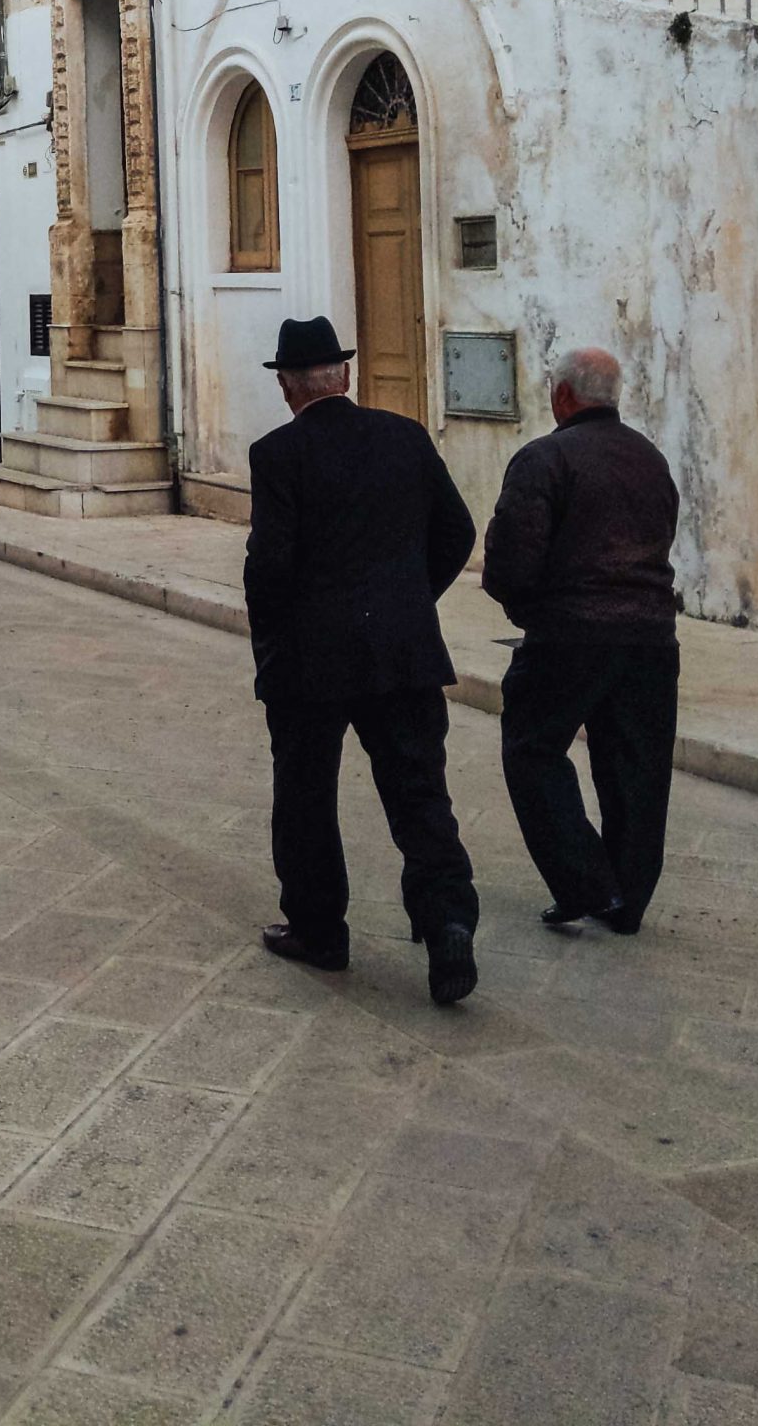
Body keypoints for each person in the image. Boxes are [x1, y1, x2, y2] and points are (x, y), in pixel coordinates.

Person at [244, 316, 481, 1007]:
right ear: (344, 376)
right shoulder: (404, 437)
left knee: (306, 799)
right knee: (419, 795)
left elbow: (271, 566)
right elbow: (458, 530)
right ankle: (447, 921)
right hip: (401, 651)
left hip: (311, 661)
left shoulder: (277, 454)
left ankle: (319, 930)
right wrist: (409, 600)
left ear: (289, 387)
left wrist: (272, 644)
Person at [484, 345, 681, 935]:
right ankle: (627, 899)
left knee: (532, 749)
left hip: (570, 634)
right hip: (651, 635)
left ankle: (584, 881)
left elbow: (512, 561)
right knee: (639, 768)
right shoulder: (651, 459)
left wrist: (525, 610)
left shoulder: (544, 459)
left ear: (564, 396)